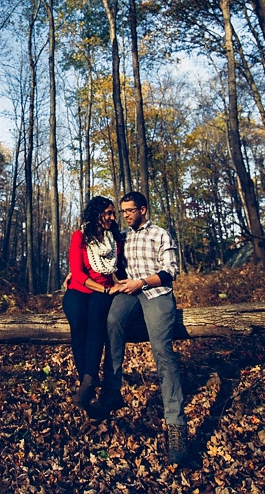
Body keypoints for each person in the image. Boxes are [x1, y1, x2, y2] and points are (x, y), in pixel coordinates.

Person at [98, 191, 188, 463]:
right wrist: (74, 273)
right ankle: (112, 392)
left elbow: (170, 271)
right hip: (129, 295)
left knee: (161, 350)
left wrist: (142, 283)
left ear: (143, 210)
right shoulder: (122, 239)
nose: (125, 215)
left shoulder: (160, 234)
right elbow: (101, 258)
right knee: (112, 322)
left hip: (156, 293)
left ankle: (176, 425)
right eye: (122, 211)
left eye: (130, 210)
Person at [62, 195, 123, 411]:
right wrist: (105, 288)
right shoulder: (79, 236)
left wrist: (121, 287)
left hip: (101, 292)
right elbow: (77, 273)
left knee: (96, 322)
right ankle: (87, 382)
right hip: (79, 289)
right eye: (108, 213)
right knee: (78, 324)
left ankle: (86, 385)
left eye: (113, 213)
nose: (112, 217)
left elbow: (122, 269)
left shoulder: (114, 238)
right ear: (97, 213)